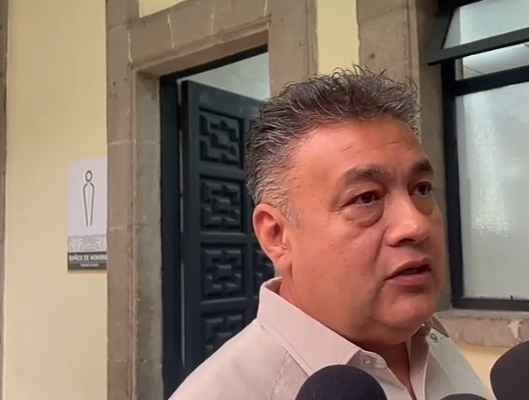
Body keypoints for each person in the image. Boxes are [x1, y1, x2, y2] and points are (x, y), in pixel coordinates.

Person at [169, 67, 493, 400]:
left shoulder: (435, 343)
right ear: (277, 236)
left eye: (421, 189)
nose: (416, 225)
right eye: (366, 198)